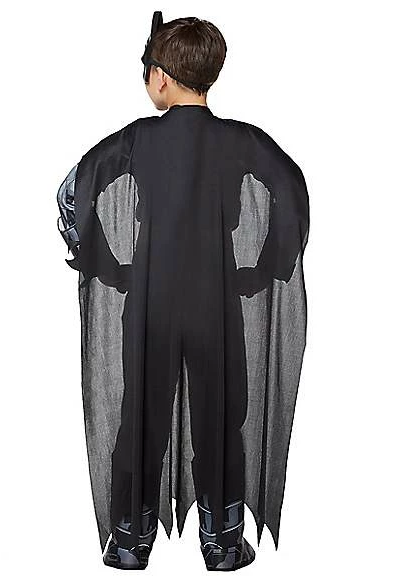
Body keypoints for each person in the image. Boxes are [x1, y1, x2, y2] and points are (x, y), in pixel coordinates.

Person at [57, 11, 309, 572]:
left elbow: (73, 193)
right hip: (217, 304)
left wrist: (106, 265)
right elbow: (291, 194)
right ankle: (222, 544)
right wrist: (264, 269)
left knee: (139, 414)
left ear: (162, 77)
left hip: (149, 303)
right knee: (222, 417)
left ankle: (129, 540)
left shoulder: (136, 140)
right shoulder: (242, 141)